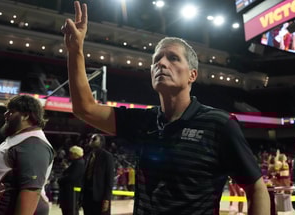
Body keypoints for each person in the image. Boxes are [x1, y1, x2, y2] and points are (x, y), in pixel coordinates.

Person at [61, 1, 270, 214]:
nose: (161, 63)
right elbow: (84, 108)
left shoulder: (220, 124)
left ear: (192, 75)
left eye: (172, 58)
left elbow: (257, 189)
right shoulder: (143, 121)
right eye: (156, 59)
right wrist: (75, 51)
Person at [0, 94, 54, 214]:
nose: (6, 114)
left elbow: (31, 191)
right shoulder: (18, 138)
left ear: (25, 115)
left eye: (11, 112)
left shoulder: (33, 145)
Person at [81, 134, 114, 215]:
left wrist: (107, 199)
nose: (91, 140)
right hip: (87, 197)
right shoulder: (89, 155)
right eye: (91, 138)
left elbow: (109, 179)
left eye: (94, 139)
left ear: (101, 142)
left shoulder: (107, 156)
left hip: (100, 198)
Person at [58, 145, 86, 215]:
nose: (69, 155)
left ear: (75, 154)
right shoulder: (78, 162)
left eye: (71, 153)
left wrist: (60, 180)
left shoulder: (79, 163)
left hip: (71, 193)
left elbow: (72, 177)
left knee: (70, 211)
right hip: (70, 193)